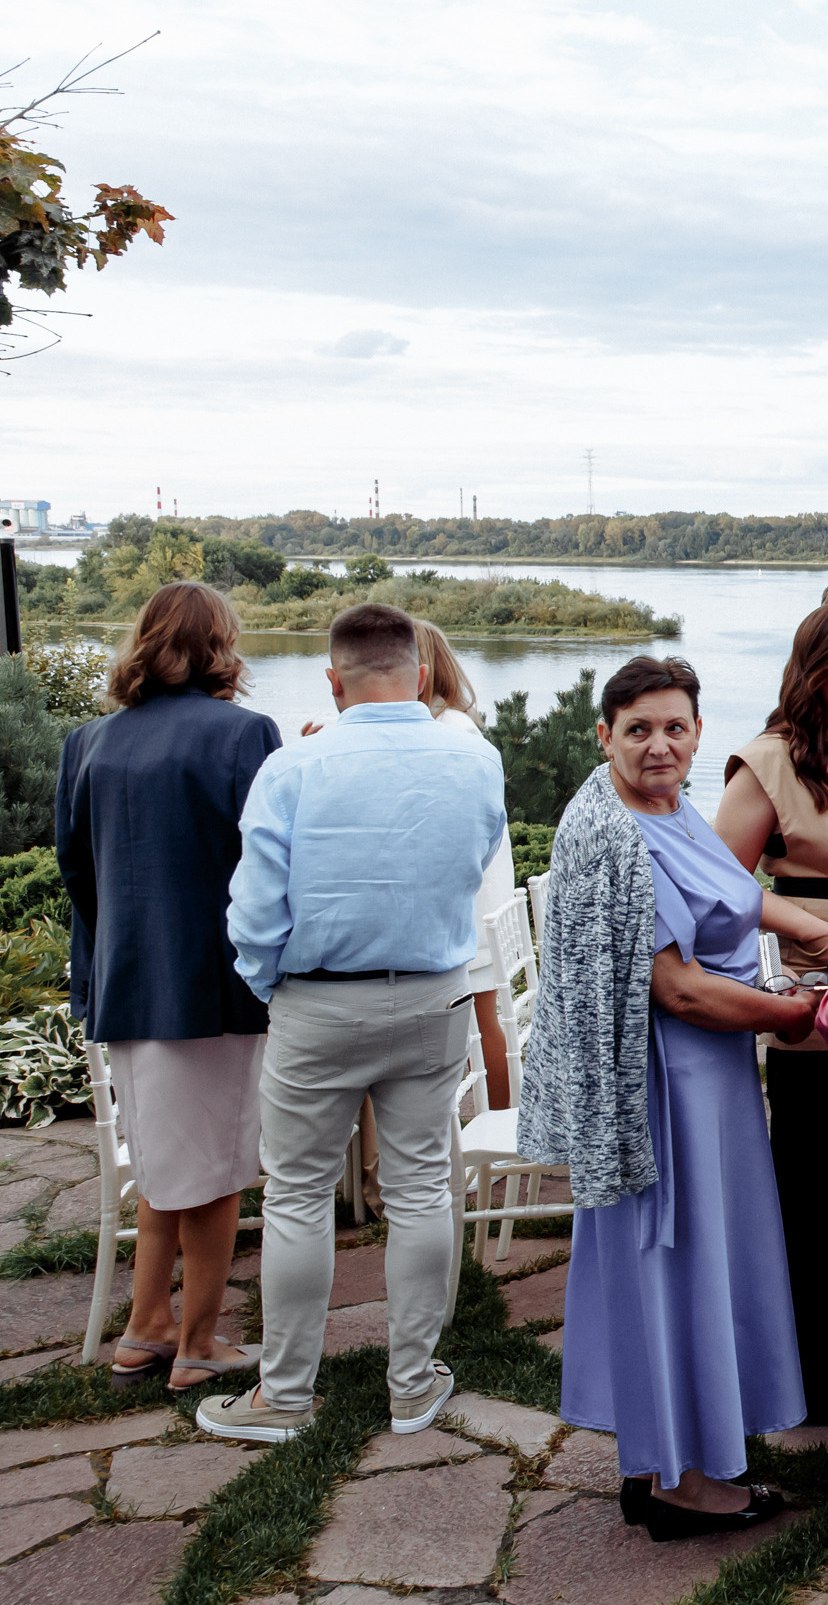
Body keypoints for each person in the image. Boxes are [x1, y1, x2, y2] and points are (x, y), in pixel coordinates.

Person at [520, 657, 825, 1538]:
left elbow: (723, 893)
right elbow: (679, 989)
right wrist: (791, 1015)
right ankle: (674, 1481)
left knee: (711, 1259)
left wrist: (808, 922)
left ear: (698, 731)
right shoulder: (613, 835)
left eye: (676, 727)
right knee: (673, 1263)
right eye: (639, 728)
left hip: (713, 1078)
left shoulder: (671, 807)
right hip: (660, 1087)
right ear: (604, 734)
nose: (660, 745)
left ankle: (677, 1451)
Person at [199, 604, 506, 1444]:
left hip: (319, 999)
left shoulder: (295, 766)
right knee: (418, 1189)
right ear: (416, 672)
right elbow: (475, 861)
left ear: (333, 681)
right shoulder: (474, 759)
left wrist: (276, 987)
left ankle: (285, 1395)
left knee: (296, 1195)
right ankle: (411, 1384)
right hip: (435, 993)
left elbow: (253, 909)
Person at [56, 582, 281, 1391]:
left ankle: (144, 1327)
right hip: (213, 983)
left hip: (126, 979)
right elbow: (268, 865)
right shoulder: (245, 734)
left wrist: (121, 943)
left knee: (166, 1165)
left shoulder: (87, 741)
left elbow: (76, 870)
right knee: (218, 1167)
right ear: (220, 642)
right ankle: (198, 1342)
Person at [712, 602, 828, 1425]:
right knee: (814, 1193)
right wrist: (814, 926)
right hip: (817, 1002)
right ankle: (815, 1374)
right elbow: (718, 888)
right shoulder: (771, 760)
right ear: (813, 669)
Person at [413, 620, 520, 1109]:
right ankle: (500, 1116)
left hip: (472, 908)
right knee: (484, 1019)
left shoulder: (446, 732)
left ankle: (500, 1117)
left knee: (482, 1021)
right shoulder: (456, 723)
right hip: (485, 899)